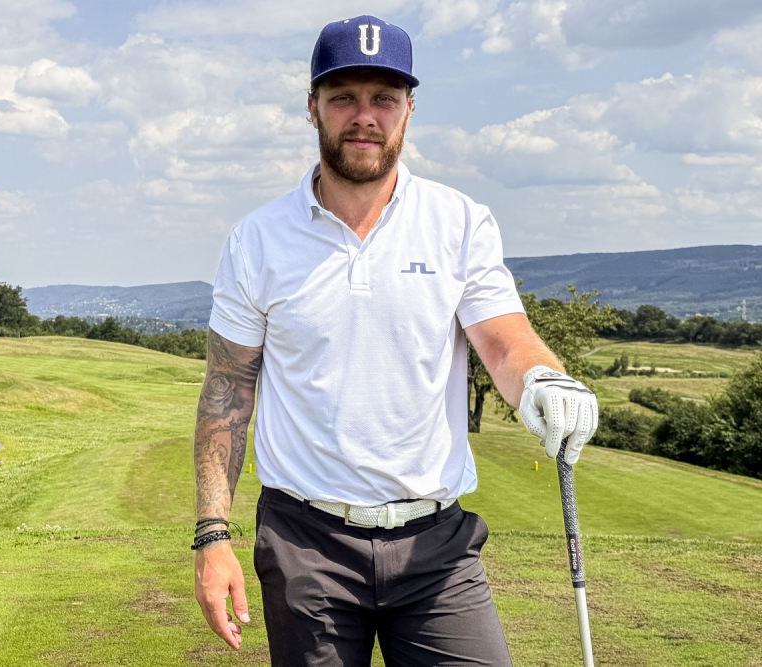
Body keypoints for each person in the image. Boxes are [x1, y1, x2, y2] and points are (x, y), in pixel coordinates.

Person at [191, 14, 599, 667]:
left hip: (436, 545)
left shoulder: (459, 222)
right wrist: (212, 534)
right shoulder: (257, 240)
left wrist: (545, 381)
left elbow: (503, 342)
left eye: (383, 98)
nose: (364, 116)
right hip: (306, 543)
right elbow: (228, 386)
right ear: (312, 107)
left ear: (409, 109)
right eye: (344, 97)